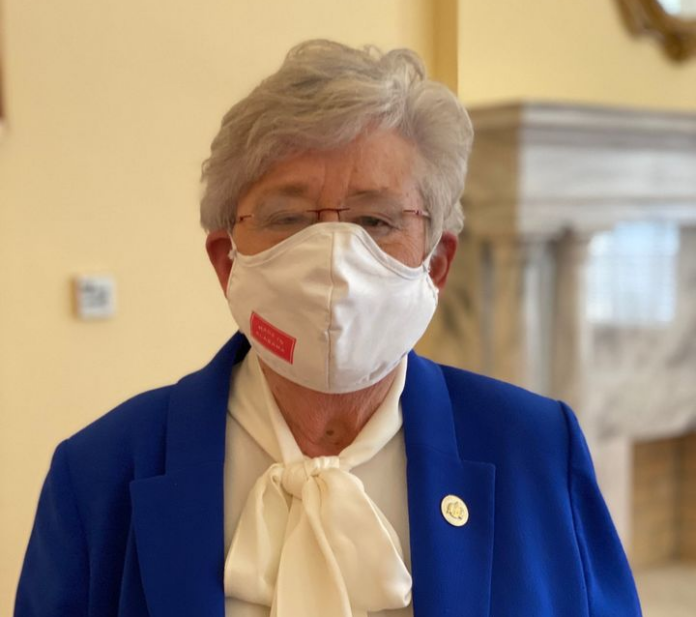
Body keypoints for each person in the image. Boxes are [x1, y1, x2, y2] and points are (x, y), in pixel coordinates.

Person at [15, 40, 642, 617]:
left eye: (375, 221)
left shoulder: (538, 452)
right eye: (288, 218)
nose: (334, 261)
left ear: (436, 263)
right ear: (227, 261)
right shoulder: (98, 475)